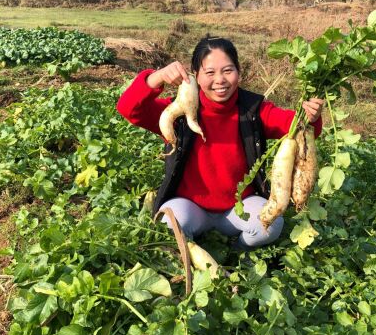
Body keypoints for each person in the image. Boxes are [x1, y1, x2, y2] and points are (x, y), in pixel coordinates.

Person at [117, 35, 323, 250]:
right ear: (195, 76)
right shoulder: (178, 113)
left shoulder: (254, 111)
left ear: (238, 73)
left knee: (272, 225)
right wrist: (156, 78)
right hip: (191, 208)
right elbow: (129, 108)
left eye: (227, 71)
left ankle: (238, 252)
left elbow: (299, 127)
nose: (220, 80)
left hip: (239, 208)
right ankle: (194, 253)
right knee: (168, 224)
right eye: (210, 73)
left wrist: (311, 117)